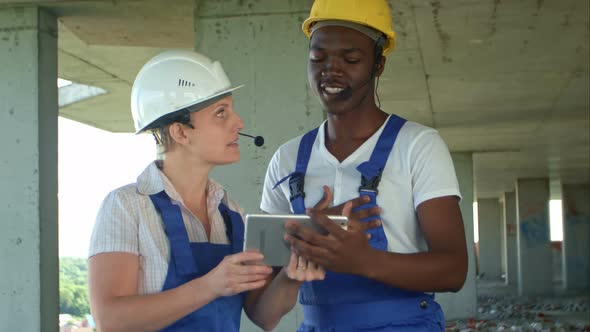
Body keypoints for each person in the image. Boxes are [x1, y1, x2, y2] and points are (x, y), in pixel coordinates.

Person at [259, 0, 469, 330]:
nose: (330, 69)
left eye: (351, 58)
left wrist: (363, 260)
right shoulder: (286, 160)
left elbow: (454, 270)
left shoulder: (417, 146)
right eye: (318, 57)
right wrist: (299, 259)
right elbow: (263, 311)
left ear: (378, 65)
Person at [87, 50, 276, 332]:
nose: (239, 123)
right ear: (181, 133)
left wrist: (293, 275)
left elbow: (264, 317)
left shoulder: (231, 211)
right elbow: (110, 321)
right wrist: (210, 286)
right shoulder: (125, 207)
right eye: (221, 113)